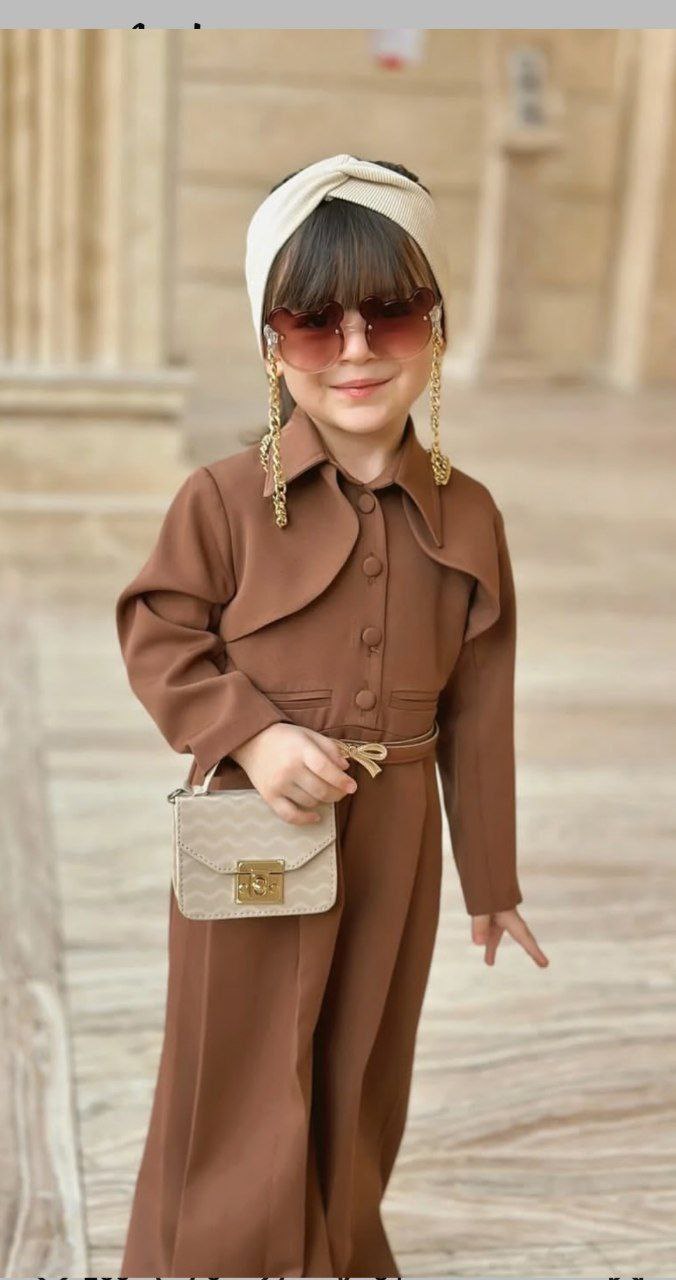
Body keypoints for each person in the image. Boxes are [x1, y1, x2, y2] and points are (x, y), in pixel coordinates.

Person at [115, 152, 548, 1278]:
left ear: (435, 330)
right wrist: (252, 733)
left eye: (389, 316)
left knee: (362, 1064)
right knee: (237, 1066)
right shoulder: (221, 500)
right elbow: (159, 631)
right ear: (272, 345)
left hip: (395, 839)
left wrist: (490, 879)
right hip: (254, 830)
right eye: (314, 324)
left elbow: (482, 704)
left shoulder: (471, 514)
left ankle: (338, 1248)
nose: (355, 351)